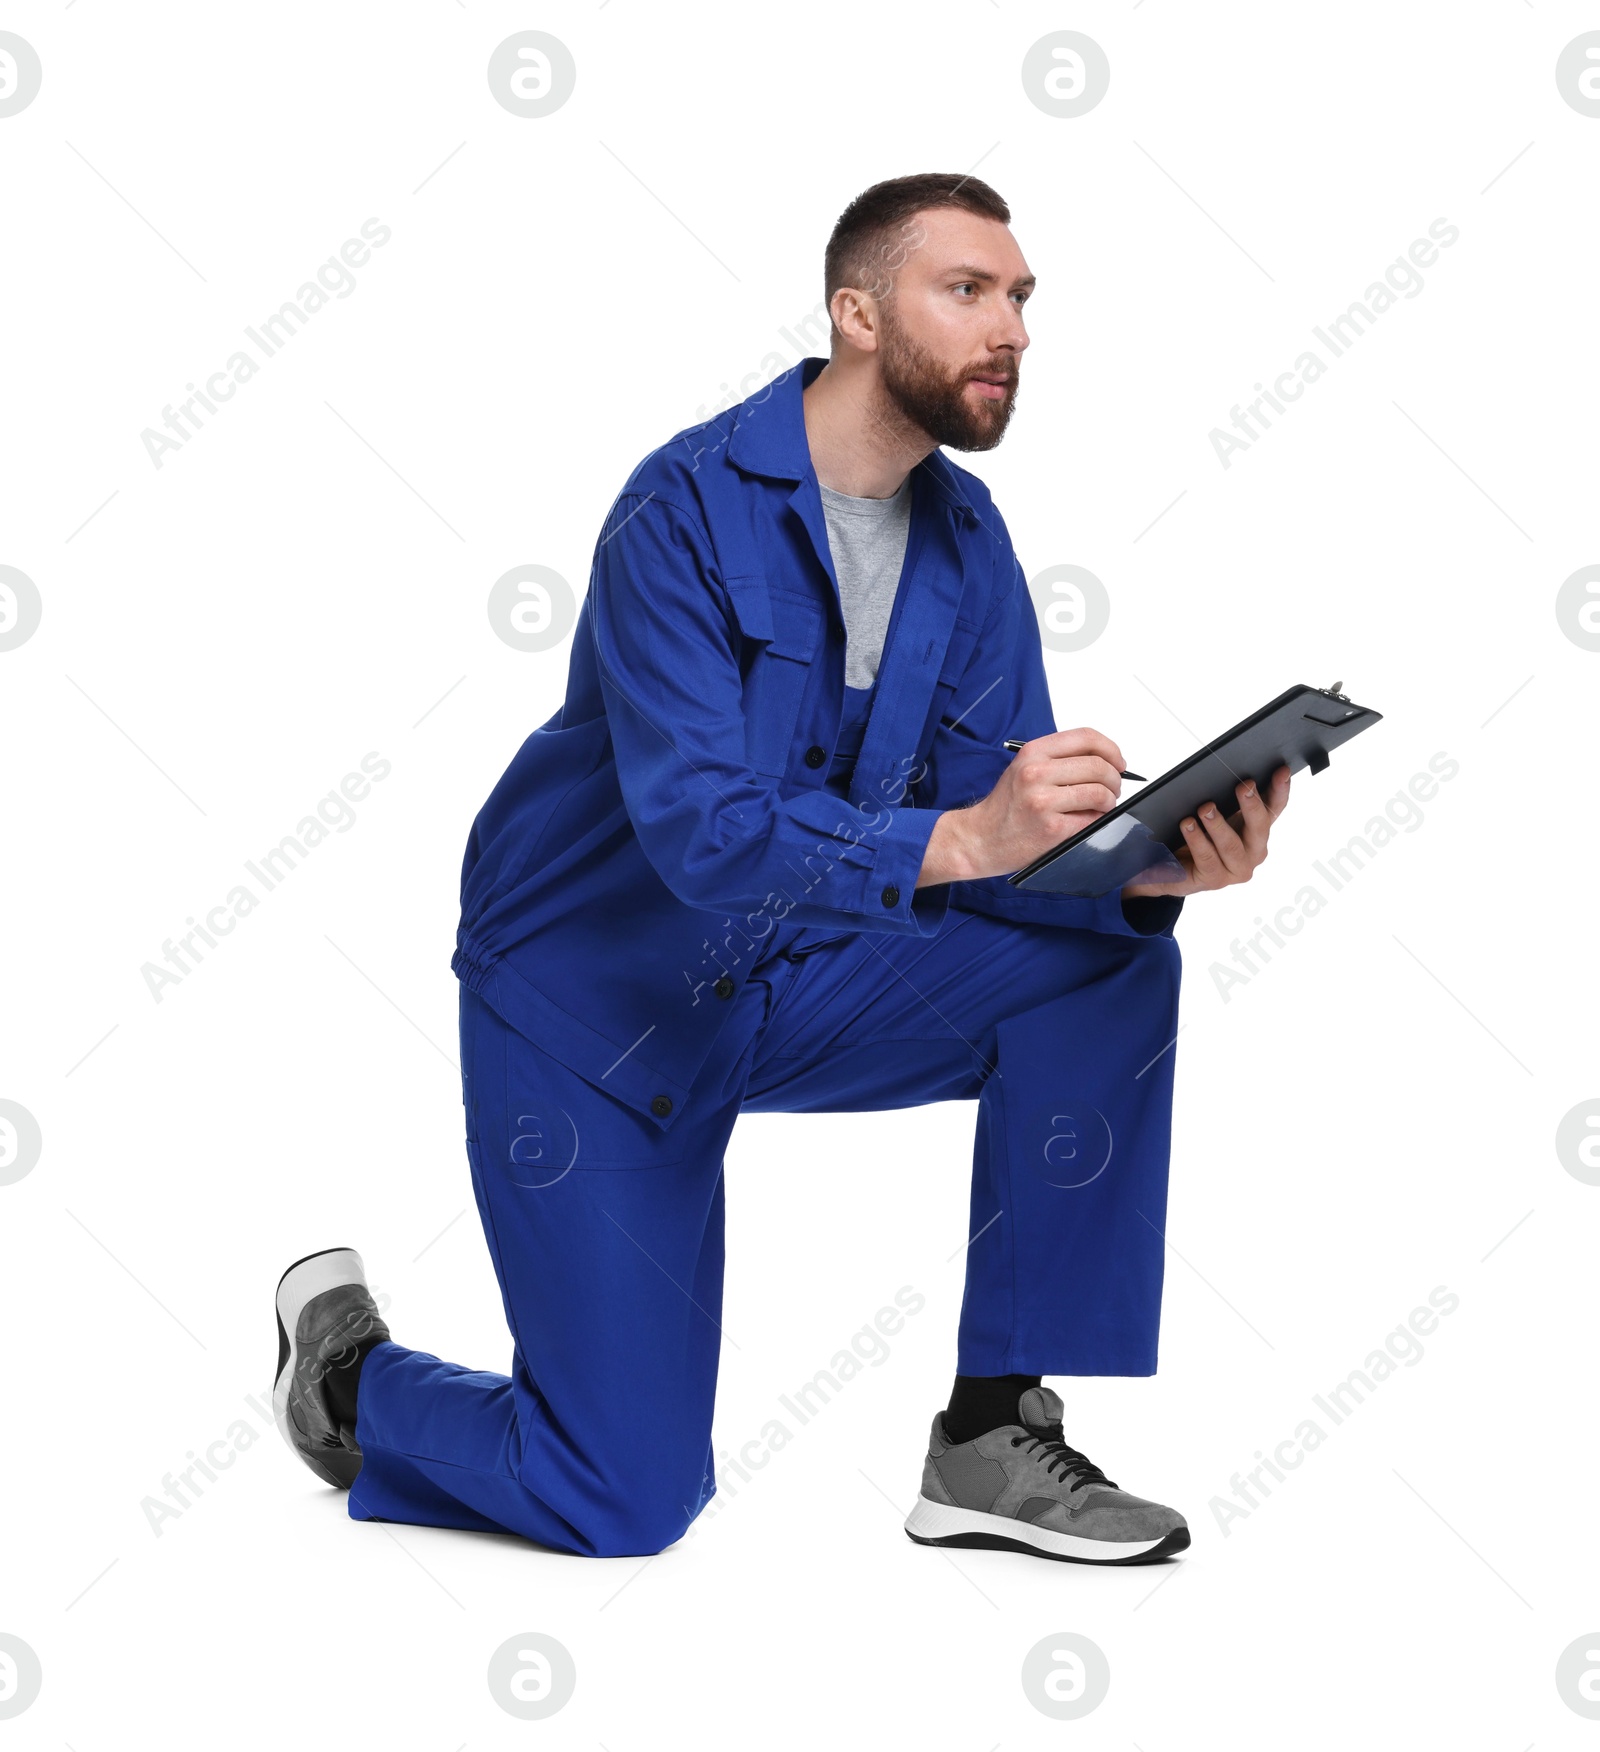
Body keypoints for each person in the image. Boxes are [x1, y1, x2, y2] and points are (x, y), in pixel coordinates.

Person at [272, 172, 1290, 1566]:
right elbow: (704, 833)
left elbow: (993, 841)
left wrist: (1133, 872)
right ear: (855, 313)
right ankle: (346, 1383)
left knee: (1106, 958)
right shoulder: (682, 509)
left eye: (1023, 300)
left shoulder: (969, 541)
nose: (1014, 329)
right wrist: (969, 837)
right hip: (592, 1005)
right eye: (970, 292)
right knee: (621, 1496)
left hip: (791, 977)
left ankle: (992, 1436)